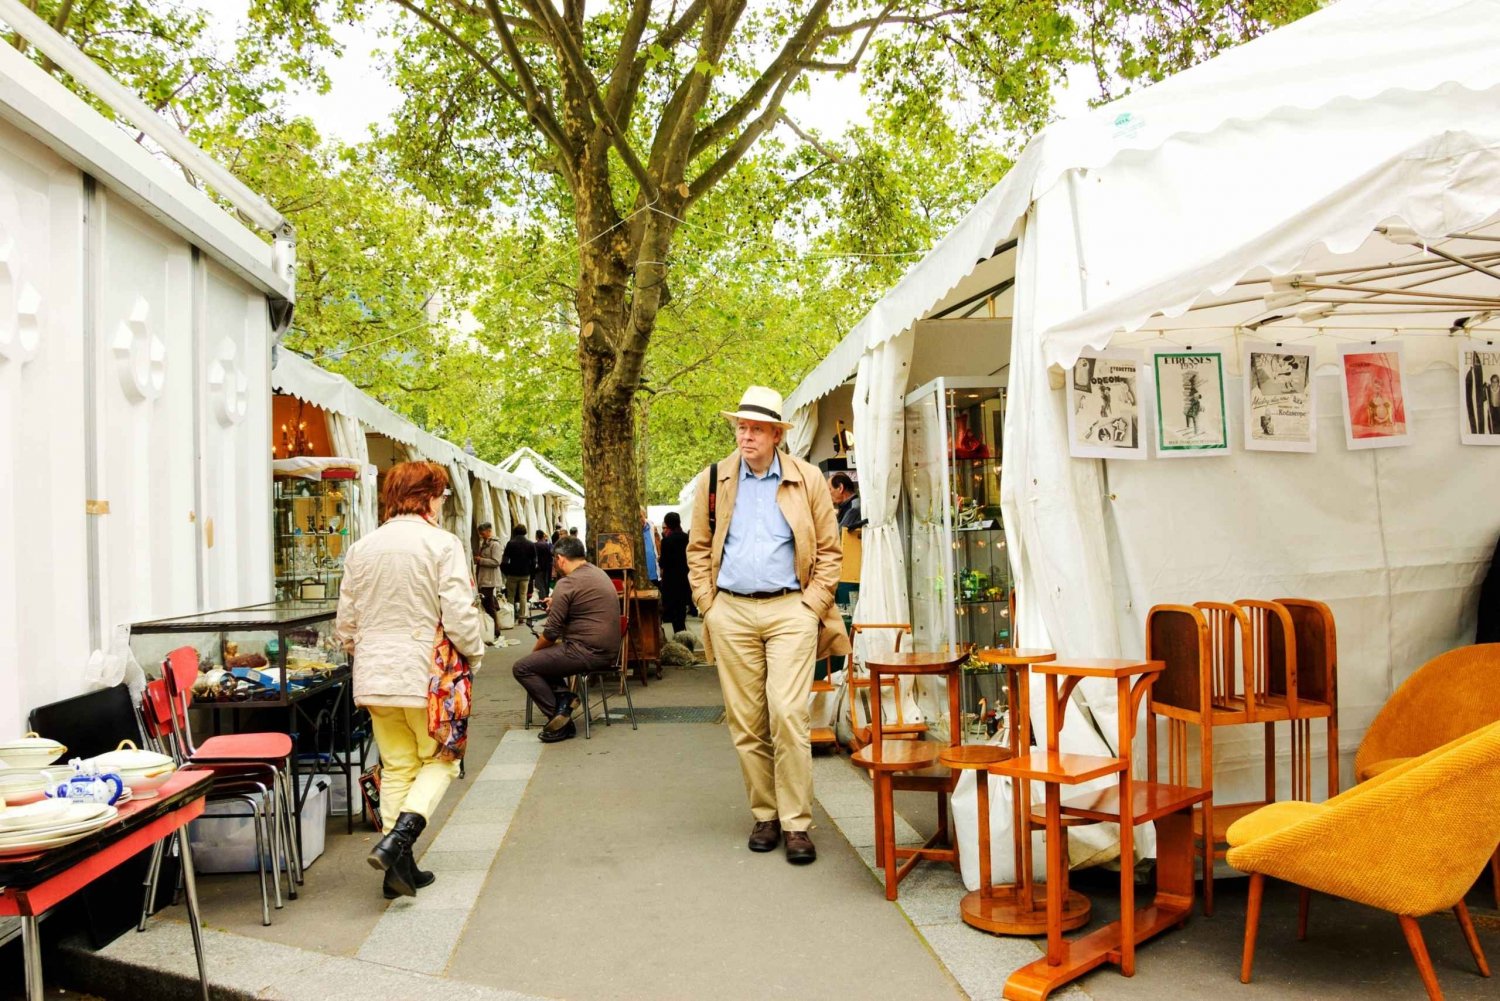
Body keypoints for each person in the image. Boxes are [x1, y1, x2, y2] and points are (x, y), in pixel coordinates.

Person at [687, 385, 848, 865]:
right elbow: (697, 549)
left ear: (778, 434)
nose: (746, 434)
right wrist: (708, 604)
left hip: (790, 611)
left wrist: (810, 606)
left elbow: (829, 551)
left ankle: (797, 822)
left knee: (788, 714)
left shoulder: (808, 479)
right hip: (731, 610)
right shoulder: (714, 480)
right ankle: (766, 814)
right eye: (741, 425)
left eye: (757, 427)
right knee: (747, 721)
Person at [334, 461, 484, 898]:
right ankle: (399, 840)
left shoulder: (362, 548)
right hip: (428, 676)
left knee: (397, 765)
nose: (442, 501)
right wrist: (473, 653)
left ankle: (397, 870)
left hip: (375, 674)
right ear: (427, 496)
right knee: (442, 760)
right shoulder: (442, 544)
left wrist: (361, 650)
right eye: (440, 494)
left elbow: (347, 621)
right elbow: (458, 612)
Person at [511, 535, 622, 743]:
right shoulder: (598, 573)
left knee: (524, 667)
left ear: (560, 559)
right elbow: (582, 602)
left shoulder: (567, 582)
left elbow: (551, 632)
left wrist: (535, 653)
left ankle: (560, 718)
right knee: (544, 661)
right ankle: (564, 700)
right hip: (608, 650)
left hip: (586, 651)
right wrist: (556, 601)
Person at [657, 511, 691, 633]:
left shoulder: (666, 541)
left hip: (671, 581)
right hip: (684, 579)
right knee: (681, 610)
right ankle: (683, 633)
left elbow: (663, 563)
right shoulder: (687, 538)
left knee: (674, 612)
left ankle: (679, 634)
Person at [499, 524, 535, 621]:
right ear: (525, 532)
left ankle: (511, 615)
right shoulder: (531, 544)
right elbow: (534, 561)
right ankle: (522, 616)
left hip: (512, 574)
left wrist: (506, 572)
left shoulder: (510, 543)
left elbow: (505, 560)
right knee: (523, 595)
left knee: (511, 595)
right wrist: (531, 573)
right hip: (525, 574)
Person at [474, 522, 503, 640]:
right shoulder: (484, 543)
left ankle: (495, 629)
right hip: (483, 578)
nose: (481, 534)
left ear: (489, 531)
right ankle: (493, 627)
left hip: (489, 579)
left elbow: (496, 562)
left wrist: (481, 560)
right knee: (489, 603)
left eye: (482, 532)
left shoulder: (495, 545)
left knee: (489, 604)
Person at [532, 530, 554, 602]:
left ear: (537, 536)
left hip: (539, 567)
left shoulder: (535, 545)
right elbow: (550, 556)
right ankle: (546, 597)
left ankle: (543, 599)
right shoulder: (547, 545)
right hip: (547, 567)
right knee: (546, 583)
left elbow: (534, 557)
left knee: (539, 584)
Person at [641, 508, 661, 585]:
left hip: (655, 573)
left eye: (640, 516)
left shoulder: (652, 528)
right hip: (641, 575)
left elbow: (659, 545)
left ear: (645, 515)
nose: (639, 520)